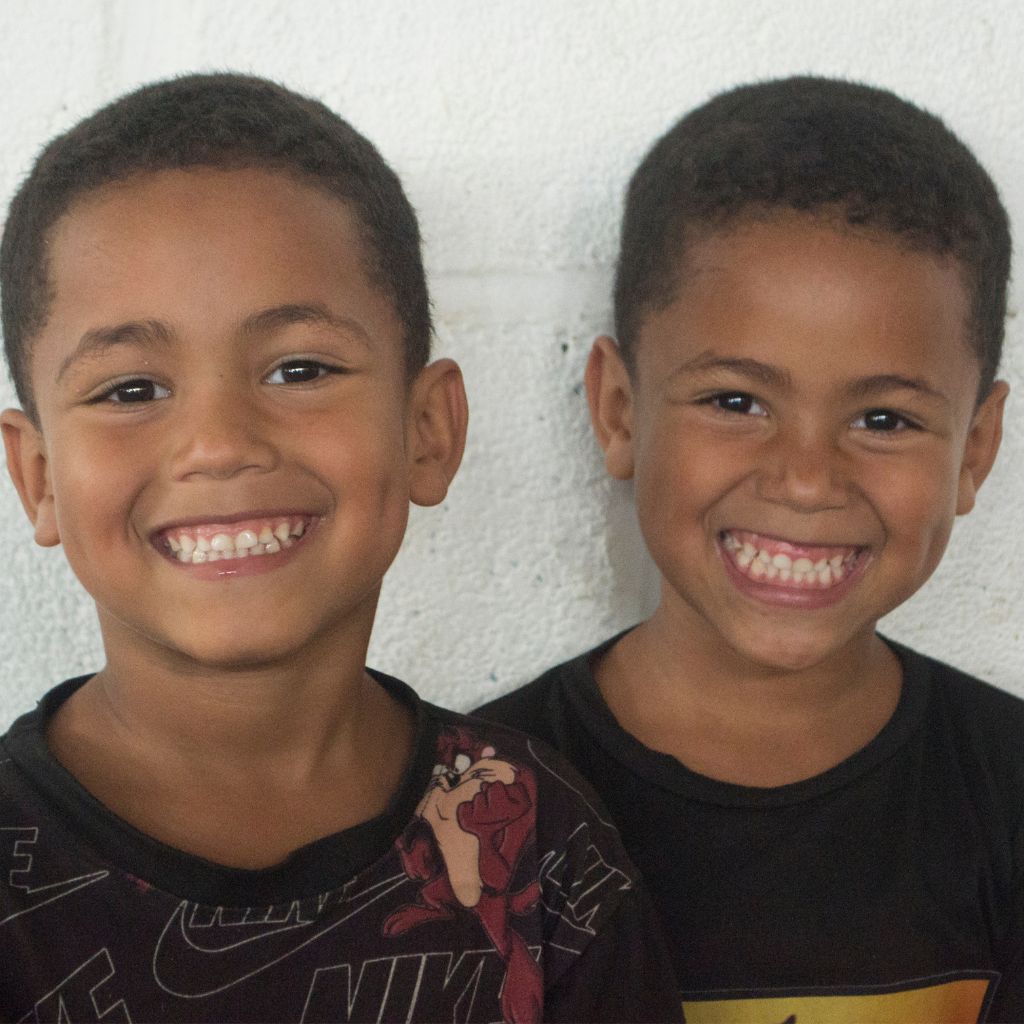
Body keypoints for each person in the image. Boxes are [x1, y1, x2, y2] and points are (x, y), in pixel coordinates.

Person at [0, 73, 679, 1023]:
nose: (221, 443)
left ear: (428, 432)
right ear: (37, 478)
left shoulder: (535, 841)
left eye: (300, 369)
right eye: (130, 390)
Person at [477, 75, 1023, 1022]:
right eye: (736, 402)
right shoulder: (470, 813)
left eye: (884, 418)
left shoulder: (1008, 797)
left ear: (974, 452)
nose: (807, 479)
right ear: (618, 410)